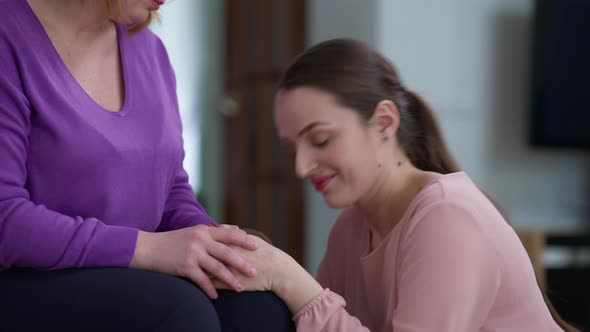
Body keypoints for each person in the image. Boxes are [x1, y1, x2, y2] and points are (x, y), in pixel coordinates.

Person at [213, 38, 576, 331]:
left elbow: (313, 306)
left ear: (384, 122)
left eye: (320, 140)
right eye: (292, 149)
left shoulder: (446, 217)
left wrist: (292, 280)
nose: (301, 167)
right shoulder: (351, 229)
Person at [0, 0, 294, 331]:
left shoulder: (150, 50)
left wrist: (214, 249)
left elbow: (170, 189)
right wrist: (148, 248)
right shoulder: (7, 36)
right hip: (25, 276)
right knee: (178, 311)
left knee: (258, 308)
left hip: (127, 274)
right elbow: (5, 220)